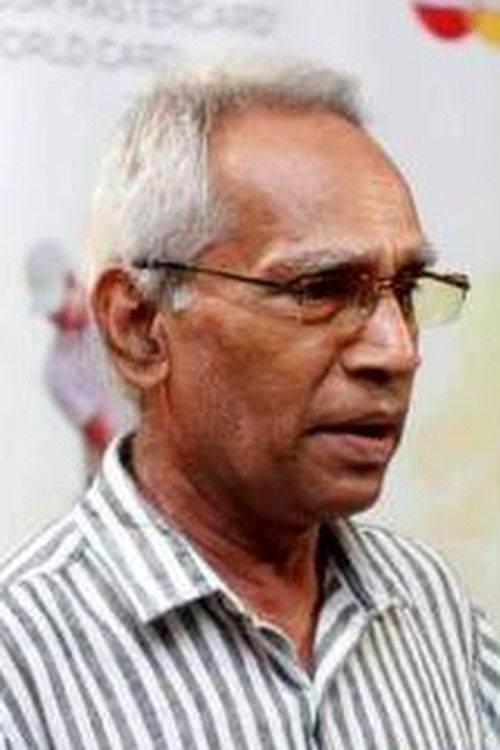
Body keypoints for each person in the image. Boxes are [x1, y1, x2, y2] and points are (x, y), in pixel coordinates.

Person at [1, 57, 499, 749]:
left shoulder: (432, 609)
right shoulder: (21, 670)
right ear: (139, 327)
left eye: (407, 290)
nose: (398, 351)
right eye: (320, 289)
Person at [25, 240, 122, 476]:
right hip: (117, 470)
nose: (60, 319)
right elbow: (102, 435)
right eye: (54, 314)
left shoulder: (117, 309)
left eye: (61, 308)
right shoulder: (58, 370)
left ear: (72, 280)